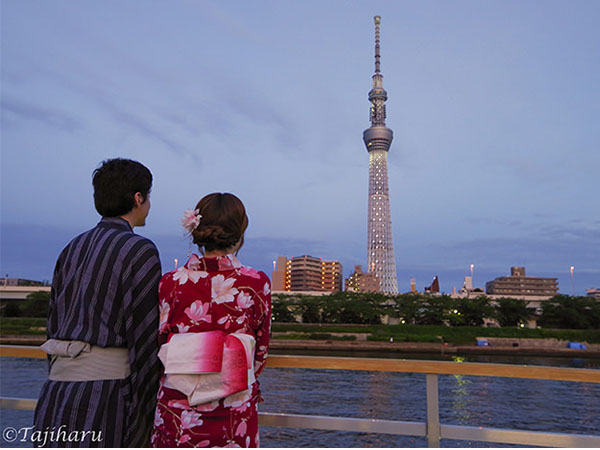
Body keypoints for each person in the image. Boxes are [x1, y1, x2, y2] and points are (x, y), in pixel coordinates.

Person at [33, 158, 162, 447]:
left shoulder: (72, 247)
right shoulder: (139, 249)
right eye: (148, 196)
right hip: (106, 397)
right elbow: (144, 336)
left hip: (56, 392)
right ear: (138, 198)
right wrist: (145, 410)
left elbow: (53, 322)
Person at [151, 193, 271, 448]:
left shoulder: (171, 283)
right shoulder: (256, 283)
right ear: (240, 232)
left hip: (179, 410)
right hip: (233, 408)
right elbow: (260, 352)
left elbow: (160, 341)